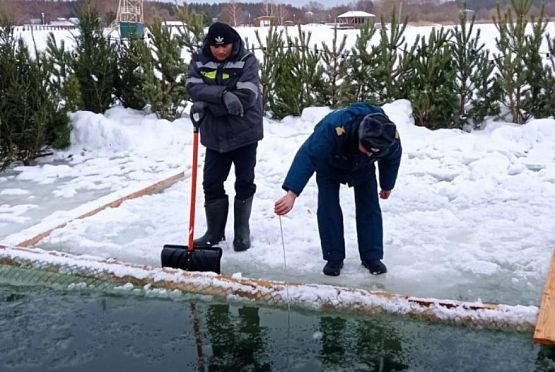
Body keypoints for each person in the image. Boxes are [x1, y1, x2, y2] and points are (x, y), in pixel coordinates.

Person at [274, 102, 402, 276]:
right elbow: (309, 155)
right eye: (367, 149)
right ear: (359, 135)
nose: (371, 154)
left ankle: (372, 256)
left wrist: (387, 185)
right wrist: (292, 193)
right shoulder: (334, 126)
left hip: (363, 169)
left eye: (375, 153)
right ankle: (333, 257)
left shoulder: (389, 137)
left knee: (369, 208)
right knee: (328, 208)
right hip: (329, 164)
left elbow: (392, 159)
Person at [186, 22, 263, 252]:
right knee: (211, 182)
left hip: (244, 133)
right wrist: (223, 95)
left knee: (244, 181)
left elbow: (246, 96)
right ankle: (214, 232)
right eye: (215, 47)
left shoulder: (247, 60)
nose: (220, 51)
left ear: (233, 43)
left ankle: (242, 232)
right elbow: (192, 86)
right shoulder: (199, 59)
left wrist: (210, 103)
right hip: (214, 135)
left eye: (225, 46)